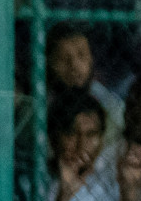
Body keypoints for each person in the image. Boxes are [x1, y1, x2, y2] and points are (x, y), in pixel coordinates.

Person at [46, 24, 125, 153]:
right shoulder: (41, 105)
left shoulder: (106, 100)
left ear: (91, 59)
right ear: (49, 64)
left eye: (81, 55)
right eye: (63, 58)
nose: (74, 66)